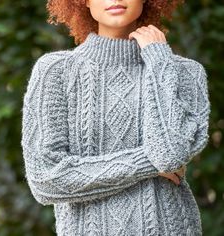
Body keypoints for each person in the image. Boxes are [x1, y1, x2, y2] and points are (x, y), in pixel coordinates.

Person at [21, 0, 211, 235]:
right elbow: (46, 180)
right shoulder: (56, 71)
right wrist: (147, 164)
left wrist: (159, 60)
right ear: (85, 2)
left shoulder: (185, 73)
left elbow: (170, 155)